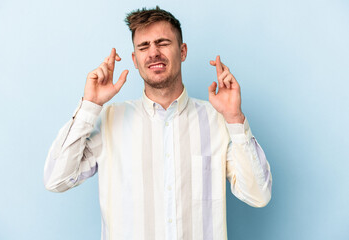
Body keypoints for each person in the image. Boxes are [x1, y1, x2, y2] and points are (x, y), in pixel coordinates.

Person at [44, 6, 272, 240]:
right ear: (135, 59)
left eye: (163, 43)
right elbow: (56, 179)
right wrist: (89, 105)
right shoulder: (110, 119)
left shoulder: (218, 120)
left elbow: (258, 195)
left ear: (182, 51)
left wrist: (235, 119)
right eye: (144, 46)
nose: (153, 53)